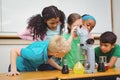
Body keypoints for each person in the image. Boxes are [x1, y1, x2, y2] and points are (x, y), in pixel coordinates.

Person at [17, 5, 66, 70]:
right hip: (45, 63)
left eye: (57, 22)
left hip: (56, 60)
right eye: (52, 23)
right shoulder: (39, 28)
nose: (55, 25)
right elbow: (20, 34)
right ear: (45, 21)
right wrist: (35, 38)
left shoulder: (59, 26)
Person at [7, 35, 71, 76]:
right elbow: (14, 50)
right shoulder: (36, 54)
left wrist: (59, 67)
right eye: (64, 53)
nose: (65, 55)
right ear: (57, 54)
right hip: (18, 69)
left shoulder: (50, 46)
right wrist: (13, 70)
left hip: (29, 70)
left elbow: (47, 58)